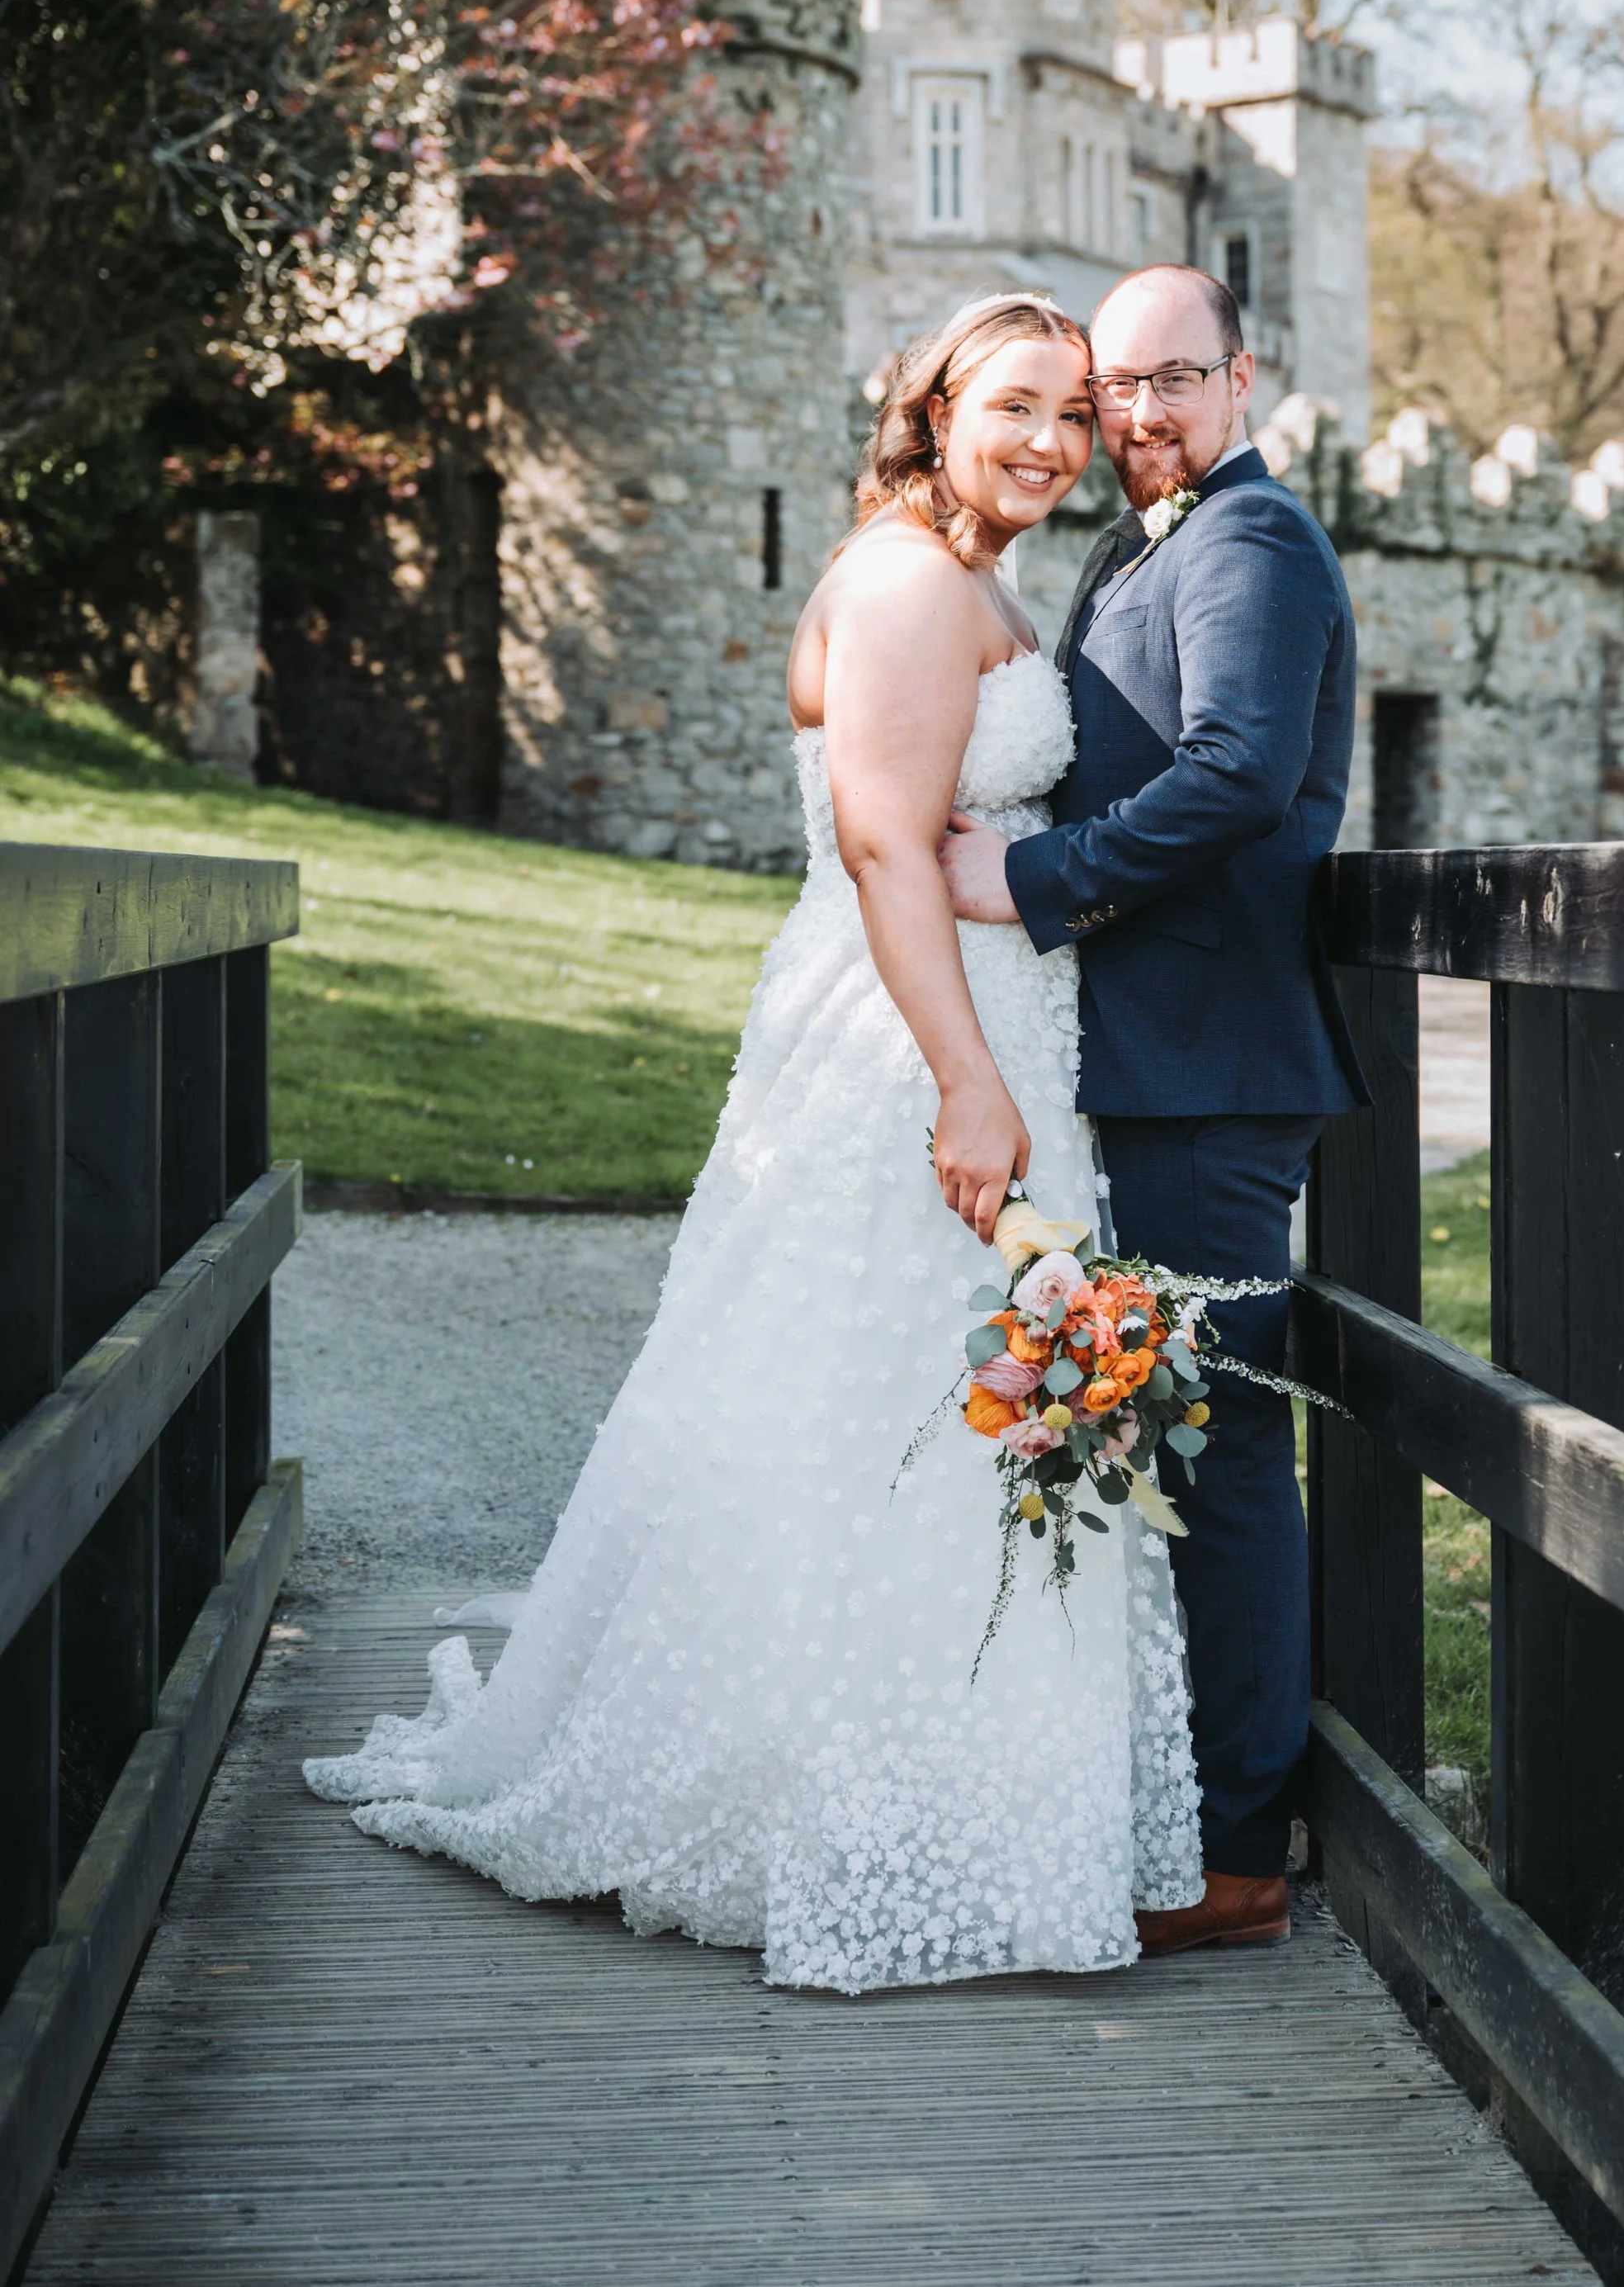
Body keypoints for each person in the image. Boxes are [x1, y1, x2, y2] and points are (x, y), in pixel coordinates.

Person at [304, 293, 1203, 1993]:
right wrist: (964, 1082)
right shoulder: (900, 582)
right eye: (1013, 404)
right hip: (904, 1045)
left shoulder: (980, 579)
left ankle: (960, 1802)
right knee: (870, 1406)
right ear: (927, 407)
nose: (1049, 440)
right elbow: (879, 846)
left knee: (953, 1428)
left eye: (1073, 415)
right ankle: (825, 1808)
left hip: (988, 1023)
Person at [942, 262, 1366, 1955]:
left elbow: (1240, 776)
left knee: (1229, 1443)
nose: (1139, 414)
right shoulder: (1152, 539)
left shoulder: (1251, 543)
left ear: (1242, 380)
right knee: (1162, 1429)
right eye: (1115, 387)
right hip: (1153, 1060)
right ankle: (1176, 1799)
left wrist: (1034, 882)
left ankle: (1244, 1846)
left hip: (1209, 1070)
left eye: (1174, 381)